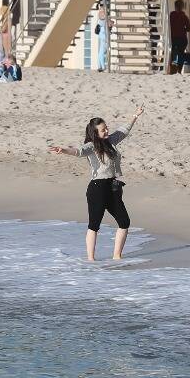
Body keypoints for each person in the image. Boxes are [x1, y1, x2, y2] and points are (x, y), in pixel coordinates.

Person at [49, 106, 143, 262]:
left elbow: (123, 131)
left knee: (124, 222)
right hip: (97, 189)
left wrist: (135, 115)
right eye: (102, 130)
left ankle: (117, 256)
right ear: (95, 133)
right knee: (94, 225)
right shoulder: (91, 146)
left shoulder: (111, 141)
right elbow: (78, 151)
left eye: (106, 128)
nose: (106, 131)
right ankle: (91, 260)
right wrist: (63, 150)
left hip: (113, 187)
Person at [167, 2, 190, 74]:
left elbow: (169, 25)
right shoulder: (184, 16)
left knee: (173, 54)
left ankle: (172, 70)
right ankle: (179, 70)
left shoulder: (171, 15)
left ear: (175, 7)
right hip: (182, 39)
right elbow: (189, 29)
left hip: (174, 38)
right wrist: (183, 29)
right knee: (181, 54)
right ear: (182, 7)